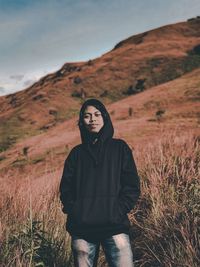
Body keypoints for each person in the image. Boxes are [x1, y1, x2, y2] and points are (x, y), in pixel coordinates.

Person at [59, 98, 140, 267]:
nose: (92, 119)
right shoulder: (76, 154)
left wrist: (118, 210)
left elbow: (131, 185)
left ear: (104, 117)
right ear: (82, 121)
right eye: (87, 116)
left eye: (97, 114)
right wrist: (76, 211)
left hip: (115, 226)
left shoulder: (120, 148)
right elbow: (66, 188)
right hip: (82, 229)